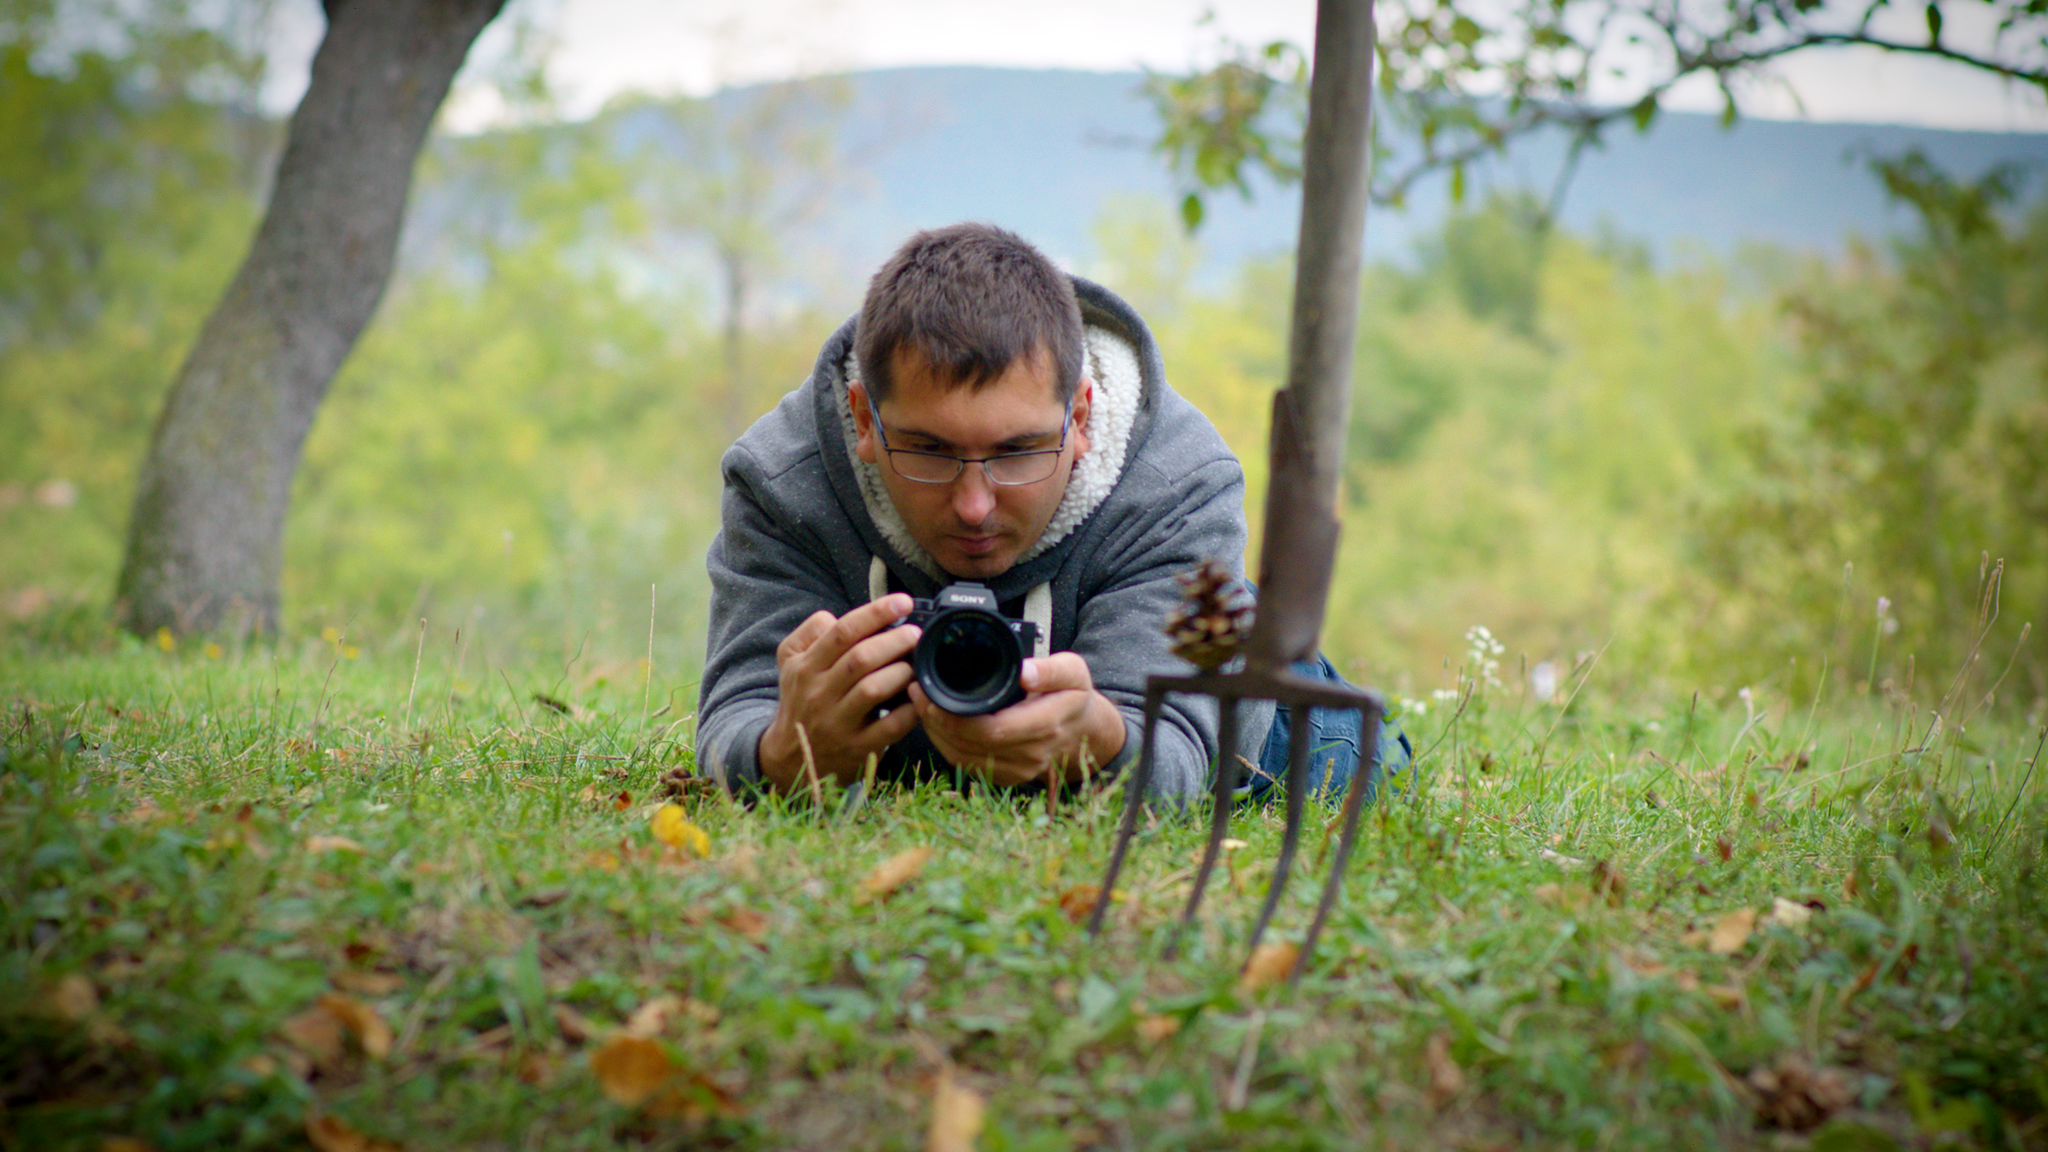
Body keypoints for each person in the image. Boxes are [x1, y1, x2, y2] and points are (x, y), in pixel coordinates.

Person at [697, 222, 1404, 802]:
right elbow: (735, 714)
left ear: (1083, 417)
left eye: (1018, 451)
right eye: (928, 450)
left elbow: (1182, 756)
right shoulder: (783, 481)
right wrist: (780, 754)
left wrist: (1106, 743)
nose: (974, 507)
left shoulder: (1173, 483)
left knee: (1358, 780)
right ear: (862, 418)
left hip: (1265, 734)